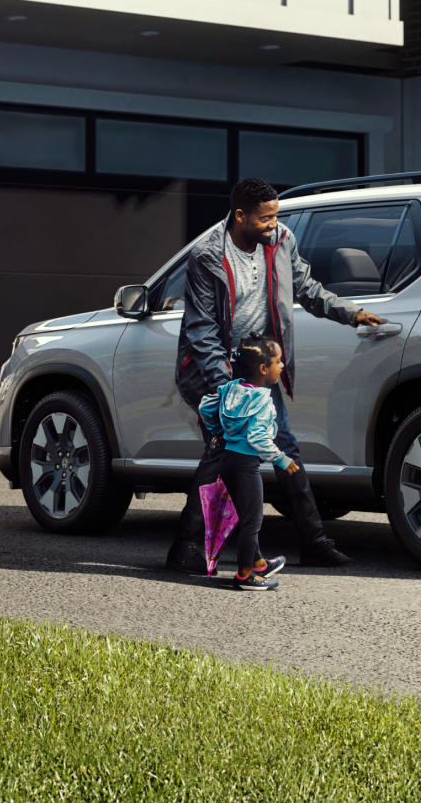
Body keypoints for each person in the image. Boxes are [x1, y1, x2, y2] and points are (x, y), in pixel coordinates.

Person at [166, 177, 383, 573]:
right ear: (240, 215)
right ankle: (185, 547)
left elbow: (306, 286)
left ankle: (314, 541)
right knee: (220, 453)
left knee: (285, 448)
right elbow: (202, 330)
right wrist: (228, 389)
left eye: (275, 216)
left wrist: (349, 313)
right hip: (216, 372)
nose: (274, 224)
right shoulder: (208, 255)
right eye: (265, 218)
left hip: (257, 366)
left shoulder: (281, 239)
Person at [199, 334, 296, 590]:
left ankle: (260, 564)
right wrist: (282, 459)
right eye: (278, 361)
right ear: (263, 369)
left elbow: (206, 407)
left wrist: (217, 431)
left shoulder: (231, 388)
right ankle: (245, 575)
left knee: (244, 515)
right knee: (252, 521)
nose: (282, 366)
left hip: (227, 462)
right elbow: (257, 437)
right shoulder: (263, 399)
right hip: (245, 467)